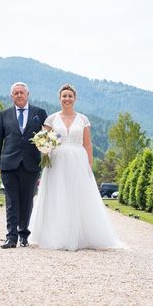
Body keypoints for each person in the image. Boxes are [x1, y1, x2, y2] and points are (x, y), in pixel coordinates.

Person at [28, 84, 123, 251]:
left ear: (75, 98)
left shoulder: (83, 119)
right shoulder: (51, 119)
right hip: (56, 161)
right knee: (57, 195)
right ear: (59, 98)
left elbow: (87, 143)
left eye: (70, 96)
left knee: (79, 195)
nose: (67, 99)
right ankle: (57, 235)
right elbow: (43, 140)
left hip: (78, 160)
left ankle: (81, 236)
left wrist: (89, 164)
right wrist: (43, 150)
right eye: (64, 96)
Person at [0, 82, 47, 249]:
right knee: (11, 201)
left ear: (27, 94)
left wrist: (46, 156)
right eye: (15, 93)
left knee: (27, 201)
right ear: (11, 96)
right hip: (9, 164)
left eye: (21, 92)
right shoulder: (4, 115)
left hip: (31, 164)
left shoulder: (40, 113)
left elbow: (47, 138)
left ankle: (24, 234)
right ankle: (11, 237)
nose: (19, 95)